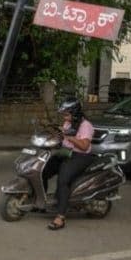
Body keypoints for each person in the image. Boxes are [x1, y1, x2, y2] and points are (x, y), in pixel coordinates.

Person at [41, 97, 95, 230]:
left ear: (75, 113)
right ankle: (41, 203)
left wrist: (71, 137)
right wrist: (52, 137)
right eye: (64, 115)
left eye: (66, 115)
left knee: (63, 180)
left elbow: (84, 146)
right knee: (43, 170)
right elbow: (62, 139)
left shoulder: (86, 126)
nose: (65, 118)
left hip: (81, 156)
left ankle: (60, 217)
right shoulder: (68, 124)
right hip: (66, 153)